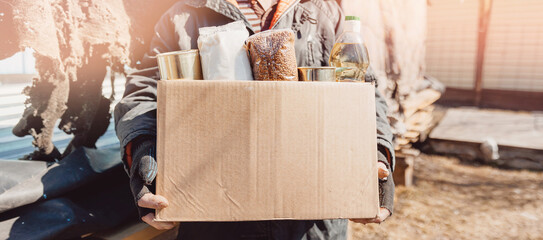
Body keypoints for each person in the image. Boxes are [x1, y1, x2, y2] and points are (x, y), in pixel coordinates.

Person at [114, 0, 396, 238]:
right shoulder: (185, 15)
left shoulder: (324, 13)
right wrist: (141, 148)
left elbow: (363, 92)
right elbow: (144, 92)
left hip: (311, 222)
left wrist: (378, 154)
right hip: (214, 215)